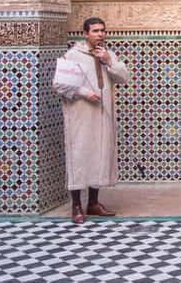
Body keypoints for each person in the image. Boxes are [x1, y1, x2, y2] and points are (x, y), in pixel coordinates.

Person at [52, 17, 131, 224]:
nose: (100, 34)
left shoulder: (107, 54)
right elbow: (59, 85)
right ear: (85, 33)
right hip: (81, 116)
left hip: (102, 116)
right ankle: (76, 205)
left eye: (102, 31)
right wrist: (84, 92)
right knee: (79, 156)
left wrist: (108, 60)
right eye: (95, 31)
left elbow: (123, 77)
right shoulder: (72, 55)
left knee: (99, 154)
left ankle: (94, 203)